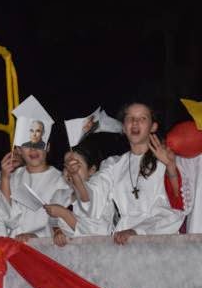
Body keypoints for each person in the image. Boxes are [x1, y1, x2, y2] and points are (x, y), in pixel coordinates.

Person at [66, 102, 187, 244]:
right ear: (124, 127)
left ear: (153, 126)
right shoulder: (113, 165)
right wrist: (76, 177)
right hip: (124, 241)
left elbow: (176, 208)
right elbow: (92, 198)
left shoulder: (168, 158)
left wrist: (138, 231)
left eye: (142, 118)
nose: (135, 122)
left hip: (160, 238)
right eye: (130, 118)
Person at [0, 143, 72, 242]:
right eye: (27, 145)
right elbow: (8, 219)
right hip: (14, 244)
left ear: (48, 146)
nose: (33, 149)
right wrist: (5, 178)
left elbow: (63, 223)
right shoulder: (14, 177)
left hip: (45, 247)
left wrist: (37, 236)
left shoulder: (61, 180)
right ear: (18, 149)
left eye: (38, 144)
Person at [45, 141, 114, 246]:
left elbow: (97, 233)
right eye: (66, 166)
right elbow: (53, 222)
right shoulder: (59, 195)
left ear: (92, 170)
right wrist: (57, 231)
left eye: (76, 165)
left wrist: (64, 214)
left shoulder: (100, 195)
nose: (70, 170)